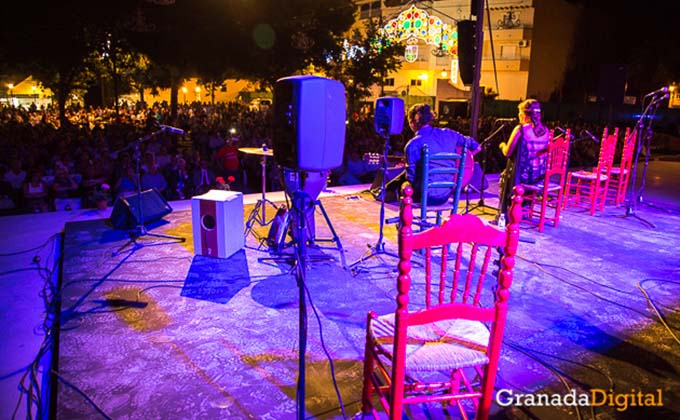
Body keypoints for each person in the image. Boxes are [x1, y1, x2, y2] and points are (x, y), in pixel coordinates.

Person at [385, 103, 479, 205]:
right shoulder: (450, 134)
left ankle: (402, 216)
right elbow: (477, 146)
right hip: (445, 195)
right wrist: (465, 161)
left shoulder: (412, 145)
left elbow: (411, 178)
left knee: (404, 185)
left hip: (423, 196)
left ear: (412, 122)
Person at [496, 99, 549, 221]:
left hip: (523, 177)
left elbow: (508, 152)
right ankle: (524, 210)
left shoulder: (521, 130)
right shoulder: (546, 131)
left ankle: (507, 214)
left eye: (519, 114)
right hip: (539, 176)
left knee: (505, 176)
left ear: (524, 115)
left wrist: (502, 145)